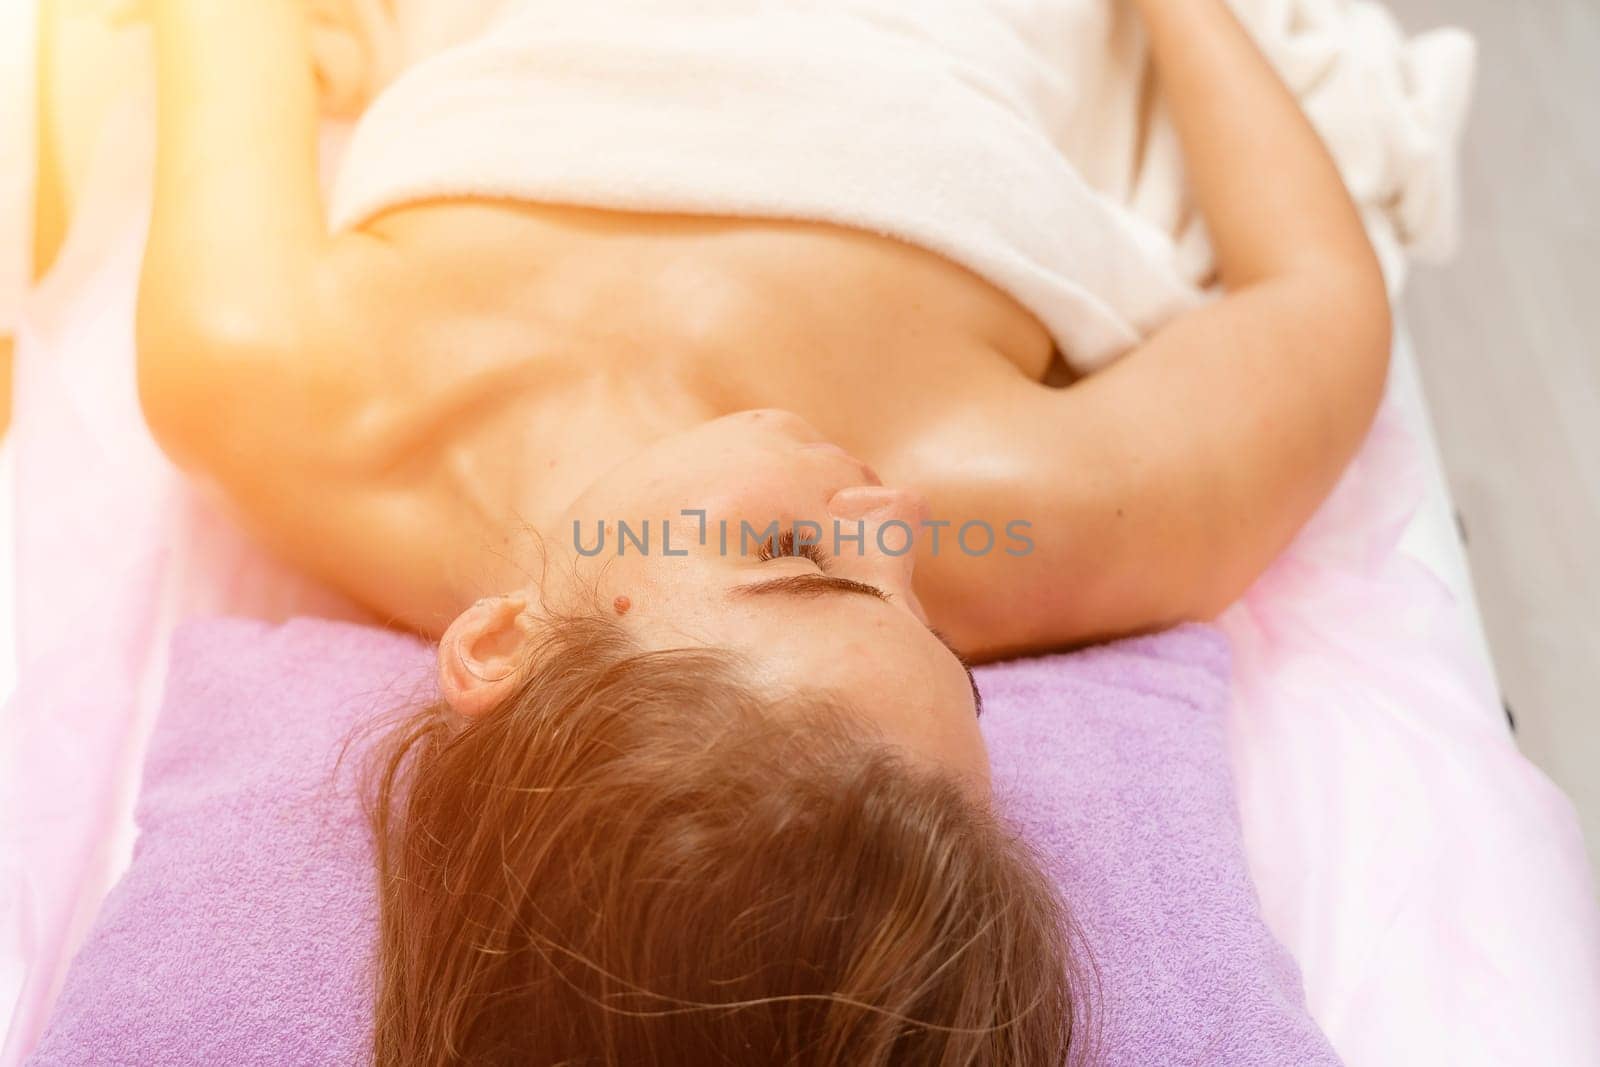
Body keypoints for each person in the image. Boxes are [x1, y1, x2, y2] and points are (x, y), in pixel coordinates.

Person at [136, 0, 1390, 1062]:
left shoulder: (261, 375)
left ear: (505, 643)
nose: (894, 525)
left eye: (798, 565)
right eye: (947, 654)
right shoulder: (1033, 510)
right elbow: (1318, 300)